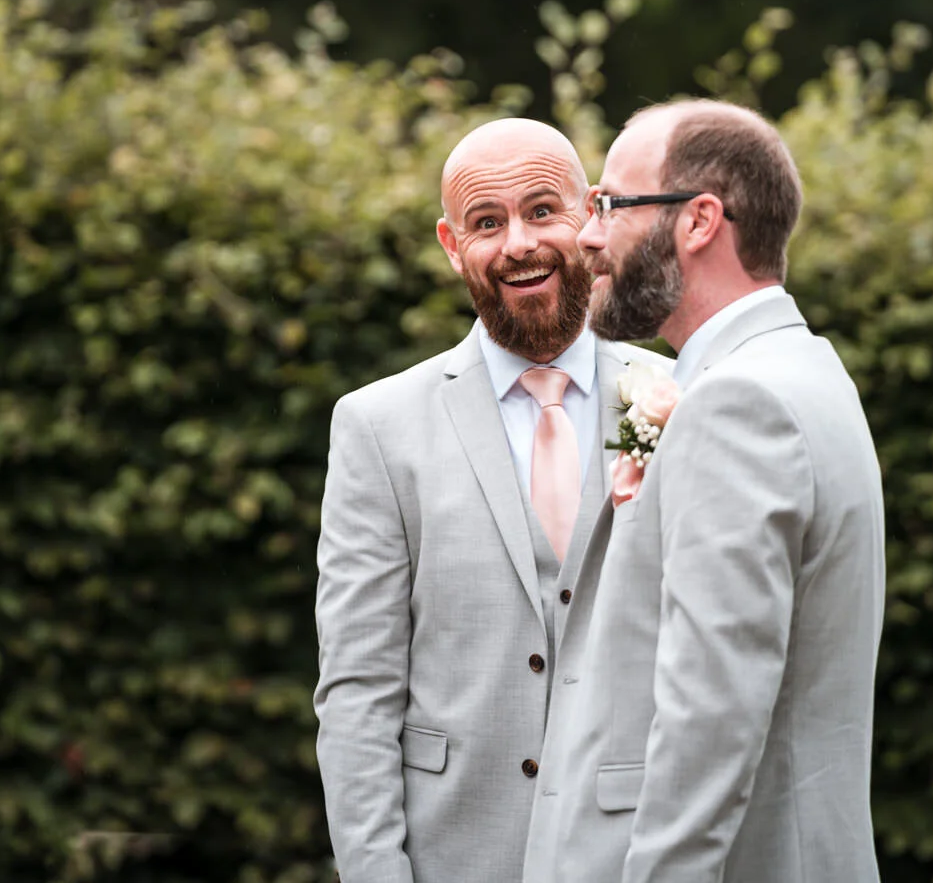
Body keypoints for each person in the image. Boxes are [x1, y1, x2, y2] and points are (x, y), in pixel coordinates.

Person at [522, 100, 886, 883]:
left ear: (699, 221)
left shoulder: (736, 405)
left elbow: (711, 713)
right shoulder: (799, 371)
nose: (587, 236)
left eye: (610, 206)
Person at [314, 118, 672, 883]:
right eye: (486, 222)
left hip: (636, 852)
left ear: (592, 219)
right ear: (451, 246)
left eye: (543, 211)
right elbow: (358, 692)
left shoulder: (677, 399)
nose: (518, 244)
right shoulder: (377, 426)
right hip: (455, 853)